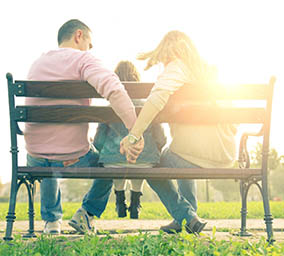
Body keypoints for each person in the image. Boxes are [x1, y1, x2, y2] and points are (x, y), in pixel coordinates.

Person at [25, 19, 137, 235]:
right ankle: (86, 214)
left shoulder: (37, 63)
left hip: (36, 155)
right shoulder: (83, 59)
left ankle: (51, 222)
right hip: (73, 155)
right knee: (112, 163)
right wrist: (134, 131)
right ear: (79, 36)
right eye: (89, 43)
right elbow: (114, 89)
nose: (89, 49)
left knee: (48, 158)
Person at [120, 30, 237, 234]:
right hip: (225, 154)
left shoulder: (177, 67)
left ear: (168, 53)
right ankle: (187, 216)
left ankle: (186, 215)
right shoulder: (211, 71)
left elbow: (157, 97)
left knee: (152, 166)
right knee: (178, 151)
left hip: (195, 154)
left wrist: (134, 134)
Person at [92, 60, 166, 219]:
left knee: (116, 162)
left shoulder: (110, 106)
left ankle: (119, 199)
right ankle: (135, 202)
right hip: (145, 161)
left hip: (113, 161)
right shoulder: (148, 106)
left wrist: (103, 150)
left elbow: (98, 141)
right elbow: (161, 138)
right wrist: (153, 150)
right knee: (140, 161)